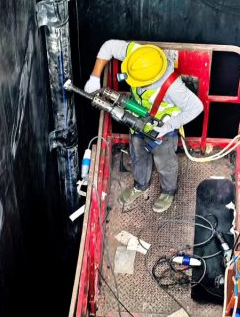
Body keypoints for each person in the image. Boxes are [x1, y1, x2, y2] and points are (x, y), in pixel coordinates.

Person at [85, 40, 204, 213]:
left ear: (151, 80)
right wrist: (94, 77)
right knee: (138, 155)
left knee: (165, 162)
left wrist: (168, 125)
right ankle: (141, 185)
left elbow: (196, 107)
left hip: (163, 129)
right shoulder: (138, 56)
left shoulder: (174, 88)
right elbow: (109, 46)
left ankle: (168, 191)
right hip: (137, 123)